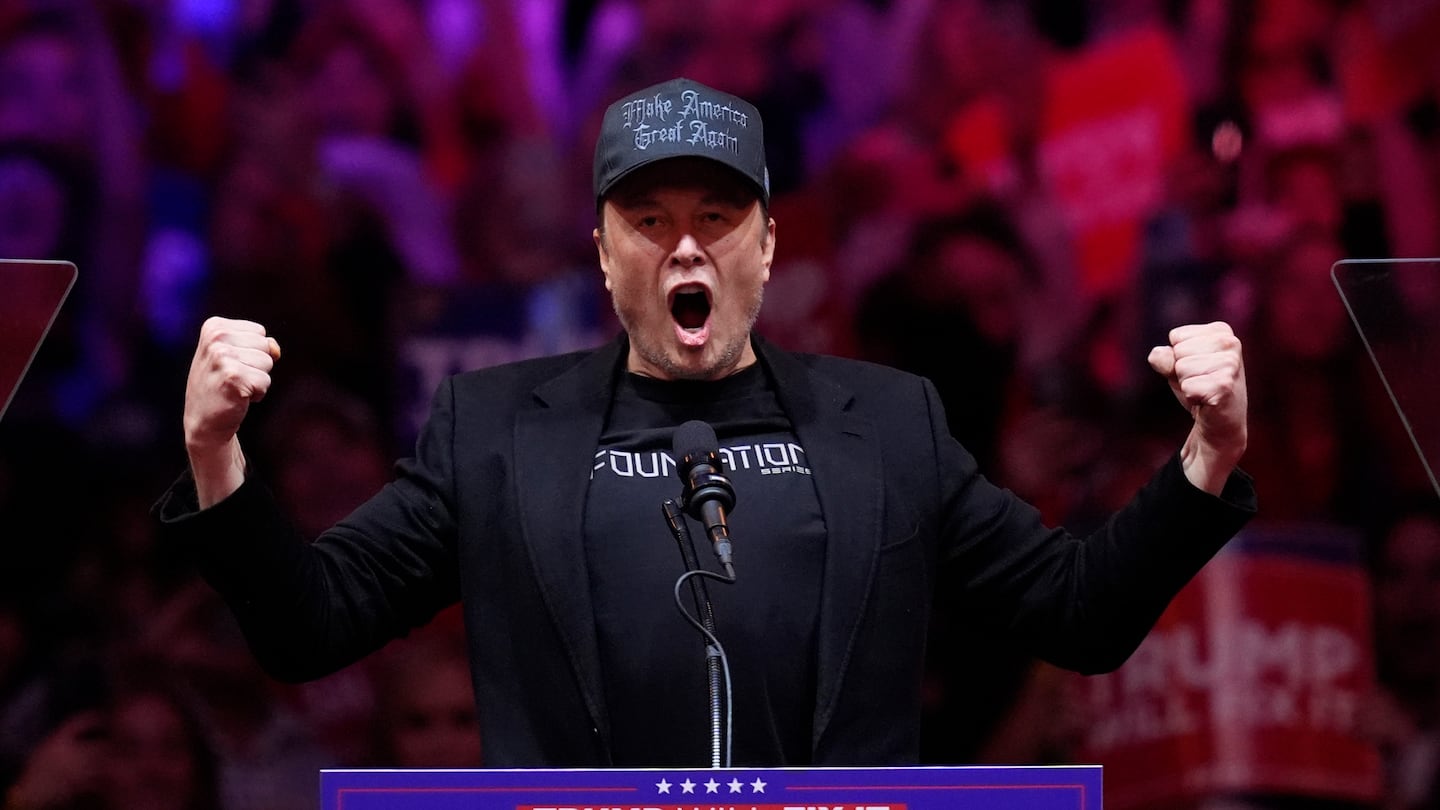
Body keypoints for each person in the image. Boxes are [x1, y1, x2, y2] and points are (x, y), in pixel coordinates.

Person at [156, 77, 1254, 768]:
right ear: (601, 251)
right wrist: (217, 457)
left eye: (718, 218)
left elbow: (1080, 614)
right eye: (649, 220)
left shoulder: (889, 422)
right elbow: (308, 629)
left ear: (768, 247)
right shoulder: (495, 429)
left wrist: (1206, 458)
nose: (686, 248)